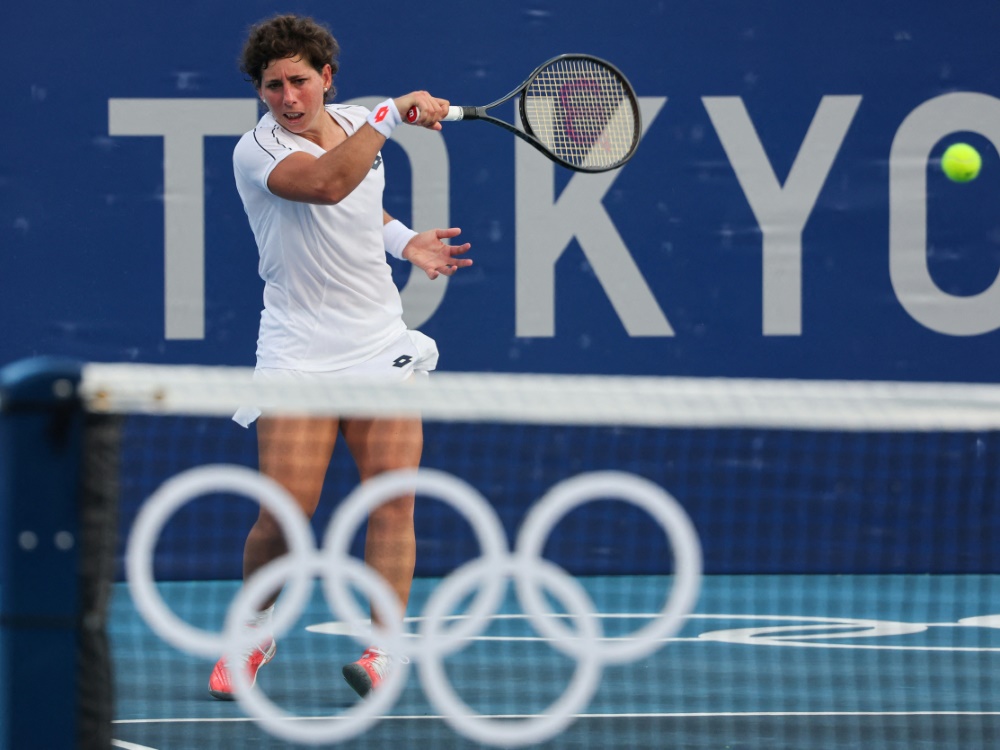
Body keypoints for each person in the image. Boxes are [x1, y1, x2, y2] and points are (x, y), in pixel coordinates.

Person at [209, 13, 473, 701]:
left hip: (380, 344)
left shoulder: (357, 124)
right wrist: (389, 114)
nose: (288, 99)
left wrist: (406, 242)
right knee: (286, 515)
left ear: (326, 77)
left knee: (392, 500)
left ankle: (384, 650)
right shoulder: (257, 152)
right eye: (272, 87)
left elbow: (359, 207)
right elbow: (326, 185)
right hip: (298, 352)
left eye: (299, 81)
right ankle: (252, 631)